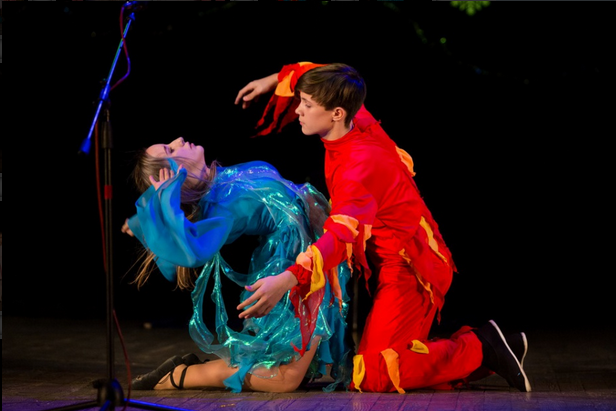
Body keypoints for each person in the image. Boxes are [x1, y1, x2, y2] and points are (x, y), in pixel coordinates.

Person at [234, 62, 531, 393]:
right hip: (398, 260)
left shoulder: (358, 166)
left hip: (412, 268)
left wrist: (287, 279)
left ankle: (482, 347)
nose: (298, 110)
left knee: (375, 374)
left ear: (336, 113)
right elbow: (321, 72)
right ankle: (488, 349)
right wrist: (272, 80)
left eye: (306, 104)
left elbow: (340, 238)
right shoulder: (357, 120)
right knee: (375, 365)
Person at [121, 136, 353, 393]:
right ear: (176, 175)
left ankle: (199, 369)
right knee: (285, 379)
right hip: (291, 267)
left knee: (294, 368)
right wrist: (164, 203)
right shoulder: (219, 208)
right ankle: (180, 375)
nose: (178, 140)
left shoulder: (224, 176)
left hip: (312, 254)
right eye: (170, 149)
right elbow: (194, 250)